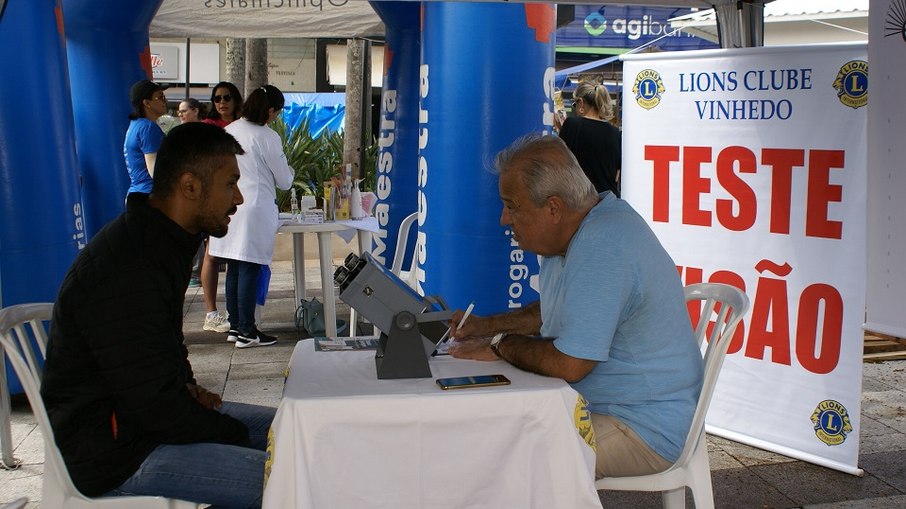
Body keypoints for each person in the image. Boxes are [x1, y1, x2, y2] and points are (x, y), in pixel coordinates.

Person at [41, 122, 276, 508]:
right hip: (113, 453)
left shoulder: (160, 240)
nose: (238, 197)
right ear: (190, 187)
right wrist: (226, 431)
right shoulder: (129, 265)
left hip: (143, 422)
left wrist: (187, 387)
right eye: (230, 183)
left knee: (294, 432)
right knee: (293, 476)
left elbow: (159, 350)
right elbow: (154, 407)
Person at [448, 134, 703, 479]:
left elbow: (571, 364)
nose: (504, 219)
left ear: (553, 208)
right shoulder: (573, 231)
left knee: (507, 463)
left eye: (513, 205)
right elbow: (555, 309)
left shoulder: (604, 244)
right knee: (490, 437)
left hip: (643, 426)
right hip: (606, 407)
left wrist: (501, 345)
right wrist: (485, 327)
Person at [208, 85, 293, 348]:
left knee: (234, 266)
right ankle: (247, 330)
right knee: (249, 267)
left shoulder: (229, 130)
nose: (276, 117)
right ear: (269, 111)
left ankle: (236, 326)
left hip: (229, 206)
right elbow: (284, 180)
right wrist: (289, 171)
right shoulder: (267, 137)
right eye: (276, 112)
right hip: (255, 207)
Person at [200, 82, 245, 332]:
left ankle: (235, 312)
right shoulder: (209, 128)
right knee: (213, 252)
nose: (222, 102)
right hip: (217, 195)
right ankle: (211, 312)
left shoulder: (244, 125)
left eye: (227, 97)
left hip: (240, 196)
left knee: (236, 255)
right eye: (217, 98)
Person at [557, 80, 622, 197]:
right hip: (608, 200)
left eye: (574, 105)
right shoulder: (615, 133)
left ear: (581, 102)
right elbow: (617, 174)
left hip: (581, 200)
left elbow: (559, 162)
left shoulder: (573, 124)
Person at [123, 79, 168, 197]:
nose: (165, 101)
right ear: (147, 103)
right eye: (160, 97)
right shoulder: (148, 128)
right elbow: (155, 171)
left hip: (138, 194)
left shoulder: (136, 124)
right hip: (149, 196)